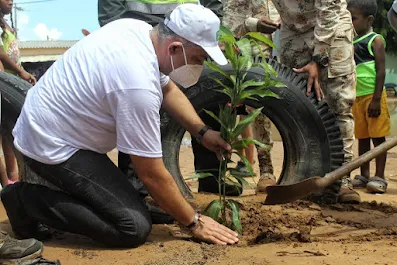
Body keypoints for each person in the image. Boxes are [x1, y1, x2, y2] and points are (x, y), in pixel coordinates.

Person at [1, 4, 239, 247]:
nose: (199, 67)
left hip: (58, 128)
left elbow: (167, 87)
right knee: (132, 227)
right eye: (198, 59)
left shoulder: (138, 31)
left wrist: (202, 131)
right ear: (175, 48)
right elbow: (151, 173)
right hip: (50, 144)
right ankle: (23, 200)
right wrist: (194, 222)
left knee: (143, 207)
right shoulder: (136, 84)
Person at [271, 0, 360, 203]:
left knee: (339, 105)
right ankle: (303, 176)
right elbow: (237, 8)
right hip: (292, 31)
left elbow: (329, 8)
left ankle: (342, 180)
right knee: (296, 106)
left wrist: (319, 58)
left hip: (332, 27)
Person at [221, 0, 280, 193]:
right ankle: (265, 170)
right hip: (252, 55)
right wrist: (254, 24)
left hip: (288, 52)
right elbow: (229, 28)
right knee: (254, 115)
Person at [348, 0, 390, 193]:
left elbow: (381, 71)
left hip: (373, 98)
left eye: (354, 18)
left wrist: (375, 99)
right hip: (357, 99)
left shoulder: (376, 40)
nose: (350, 22)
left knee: (378, 138)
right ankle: (364, 175)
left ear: (369, 19)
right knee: (362, 138)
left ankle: (379, 177)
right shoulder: (350, 42)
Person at [0, 0, 36, 188]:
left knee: (10, 138)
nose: (11, 1)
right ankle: (9, 184)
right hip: (6, 85)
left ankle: (15, 181)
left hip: (12, 82)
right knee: (8, 136)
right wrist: (20, 72)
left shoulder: (6, 25)